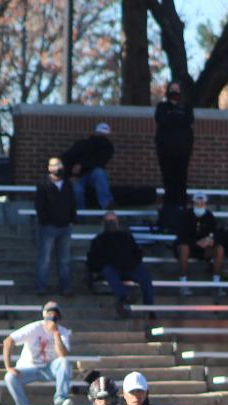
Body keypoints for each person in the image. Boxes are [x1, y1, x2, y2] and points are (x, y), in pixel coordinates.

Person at [3, 301, 73, 405]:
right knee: (9, 377)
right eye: (50, 313)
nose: (52, 317)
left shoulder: (62, 332)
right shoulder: (34, 327)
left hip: (49, 369)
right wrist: (8, 366)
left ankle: (60, 398)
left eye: (55, 314)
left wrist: (56, 334)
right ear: (44, 314)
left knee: (64, 362)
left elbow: (63, 355)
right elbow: (8, 341)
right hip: (28, 368)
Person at [86, 210, 154, 319]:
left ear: (117, 222)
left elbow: (137, 253)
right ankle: (124, 295)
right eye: (108, 221)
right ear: (103, 223)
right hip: (112, 269)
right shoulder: (98, 240)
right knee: (107, 271)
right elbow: (94, 259)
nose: (111, 223)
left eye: (113, 220)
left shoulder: (126, 236)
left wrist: (133, 262)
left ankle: (150, 310)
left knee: (145, 277)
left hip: (129, 267)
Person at [34, 156, 76, 296]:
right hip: (49, 227)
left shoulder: (68, 185)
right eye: (55, 165)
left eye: (60, 165)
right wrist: (45, 221)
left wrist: (71, 219)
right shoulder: (43, 185)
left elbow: (72, 203)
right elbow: (40, 205)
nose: (59, 168)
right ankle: (41, 287)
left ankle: (65, 287)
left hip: (65, 227)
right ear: (49, 168)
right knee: (44, 259)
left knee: (64, 260)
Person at [154, 80, 195, 211]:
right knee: (168, 178)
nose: (175, 92)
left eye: (177, 90)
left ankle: (181, 204)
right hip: (165, 151)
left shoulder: (186, 107)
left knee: (181, 178)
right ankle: (169, 206)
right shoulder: (162, 106)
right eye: (172, 89)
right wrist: (176, 118)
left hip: (182, 151)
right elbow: (161, 120)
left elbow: (188, 121)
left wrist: (172, 118)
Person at [175, 192, 225, 296]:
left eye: (202, 203)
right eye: (197, 203)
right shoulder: (185, 215)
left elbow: (216, 234)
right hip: (188, 247)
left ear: (206, 204)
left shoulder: (210, 216)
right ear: (193, 204)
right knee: (183, 248)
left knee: (219, 249)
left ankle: (216, 284)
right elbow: (180, 236)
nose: (199, 206)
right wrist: (195, 242)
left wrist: (211, 241)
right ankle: (183, 284)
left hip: (204, 250)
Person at [62, 122, 115, 211]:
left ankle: (107, 205)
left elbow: (100, 162)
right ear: (95, 132)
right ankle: (80, 217)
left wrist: (82, 165)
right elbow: (66, 158)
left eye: (104, 135)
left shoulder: (108, 147)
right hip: (77, 177)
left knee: (99, 172)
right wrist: (69, 176)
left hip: (93, 176)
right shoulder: (82, 144)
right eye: (100, 134)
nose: (102, 137)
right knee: (77, 190)